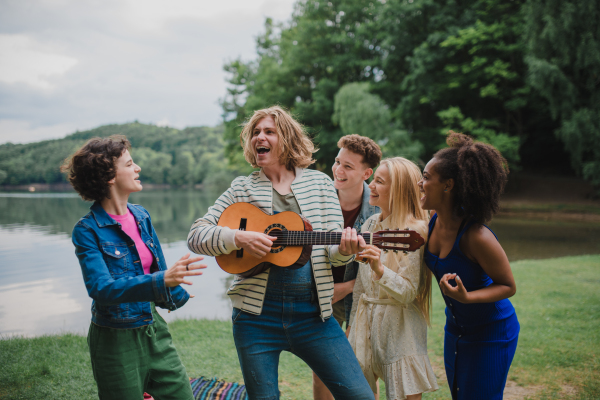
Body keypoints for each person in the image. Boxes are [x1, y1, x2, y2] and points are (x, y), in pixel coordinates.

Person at [187, 106, 375, 400]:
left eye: (268, 132)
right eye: (255, 133)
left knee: (359, 396)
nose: (259, 137)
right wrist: (238, 237)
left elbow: (334, 254)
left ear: (286, 139)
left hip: (315, 315)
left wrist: (347, 250)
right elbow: (196, 235)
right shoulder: (241, 188)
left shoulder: (321, 184)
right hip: (255, 317)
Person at [62, 135, 205, 400]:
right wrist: (163, 280)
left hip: (154, 330)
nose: (137, 168)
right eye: (130, 164)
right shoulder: (86, 230)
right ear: (109, 176)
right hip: (115, 341)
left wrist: (176, 289)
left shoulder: (142, 216)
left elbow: (156, 269)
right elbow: (101, 289)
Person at [419, 131, 519, 399]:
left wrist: (467, 297)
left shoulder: (477, 236)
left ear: (448, 185)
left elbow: (508, 286)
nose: (420, 183)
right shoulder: (431, 220)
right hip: (456, 330)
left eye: (427, 177)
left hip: (491, 333)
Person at [347, 157, 439, 400]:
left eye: (379, 181)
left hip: (400, 328)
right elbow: (360, 285)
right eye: (373, 180)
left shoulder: (416, 230)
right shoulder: (370, 224)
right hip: (366, 321)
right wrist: (352, 325)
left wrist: (380, 270)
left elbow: (409, 292)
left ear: (397, 189)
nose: (371, 186)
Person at [312, 134, 381, 400]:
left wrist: (348, 286)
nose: (338, 171)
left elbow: (382, 264)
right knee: (322, 366)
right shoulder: (316, 199)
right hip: (322, 291)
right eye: (337, 161)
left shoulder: (377, 210)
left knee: (359, 366)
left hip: (361, 295)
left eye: (348, 167)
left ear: (367, 173)